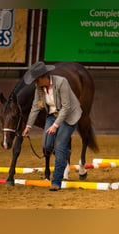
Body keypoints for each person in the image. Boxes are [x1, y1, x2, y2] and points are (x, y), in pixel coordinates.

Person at [22, 61, 82, 191]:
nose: (34, 83)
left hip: (69, 115)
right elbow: (35, 107)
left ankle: (56, 182)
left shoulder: (61, 82)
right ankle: (65, 153)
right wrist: (28, 126)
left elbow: (66, 107)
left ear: (44, 77)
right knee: (47, 146)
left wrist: (55, 125)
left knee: (59, 146)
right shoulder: (39, 87)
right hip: (52, 114)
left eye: (36, 80)